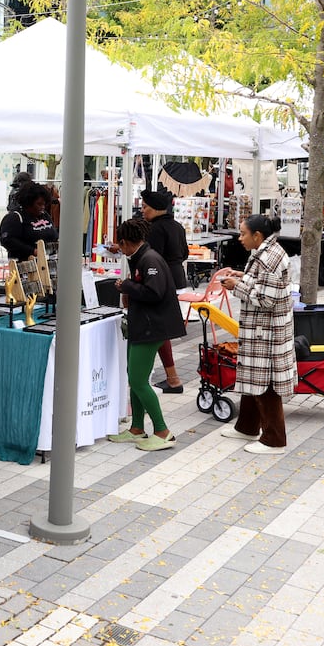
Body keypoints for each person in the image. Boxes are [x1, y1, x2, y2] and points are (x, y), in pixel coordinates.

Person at [215, 214, 296, 455]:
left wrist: (236, 286)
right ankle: (248, 426)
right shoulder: (264, 252)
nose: (240, 238)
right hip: (261, 330)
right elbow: (261, 284)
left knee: (267, 383)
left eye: (243, 234)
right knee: (254, 378)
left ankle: (274, 440)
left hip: (268, 332)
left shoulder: (269, 258)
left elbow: (267, 298)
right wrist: (242, 276)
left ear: (257, 236)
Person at [106, 218, 185, 451]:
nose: (119, 249)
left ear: (125, 242)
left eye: (120, 245)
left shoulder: (150, 259)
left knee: (139, 381)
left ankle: (163, 431)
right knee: (134, 377)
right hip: (143, 325)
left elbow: (155, 292)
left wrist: (126, 286)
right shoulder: (141, 256)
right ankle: (137, 428)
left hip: (153, 326)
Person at [138, 190, 189, 393]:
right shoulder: (176, 226)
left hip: (162, 281)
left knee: (158, 328)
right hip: (177, 277)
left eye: (145, 207)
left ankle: (171, 378)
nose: (142, 211)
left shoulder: (156, 229)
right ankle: (171, 377)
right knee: (161, 327)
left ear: (157, 209)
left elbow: (152, 258)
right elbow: (184, 252)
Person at [0, 184, 57, 260]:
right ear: (28, 203)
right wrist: (32, 251)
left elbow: (54, 234)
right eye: (39, 204)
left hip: (49, 263)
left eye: (44, 204)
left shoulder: (44, 215)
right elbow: (7, 240)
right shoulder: (15, 217)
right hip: (26, 264)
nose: (43, 207)